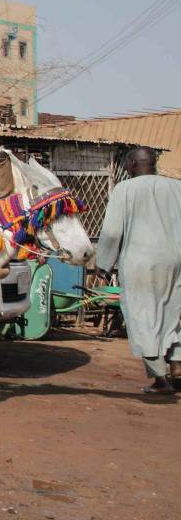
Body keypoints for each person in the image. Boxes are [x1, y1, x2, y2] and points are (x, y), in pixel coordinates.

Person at [95, 147, 181, 395]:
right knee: (172, 314)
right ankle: (177, 366)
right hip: (175, 261)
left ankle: (160, 379)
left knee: (144, 317)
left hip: (141, 264)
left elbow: (112, 232)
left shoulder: (125, 190)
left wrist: (103, 264)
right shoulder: (176, 188)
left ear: (132, 164)